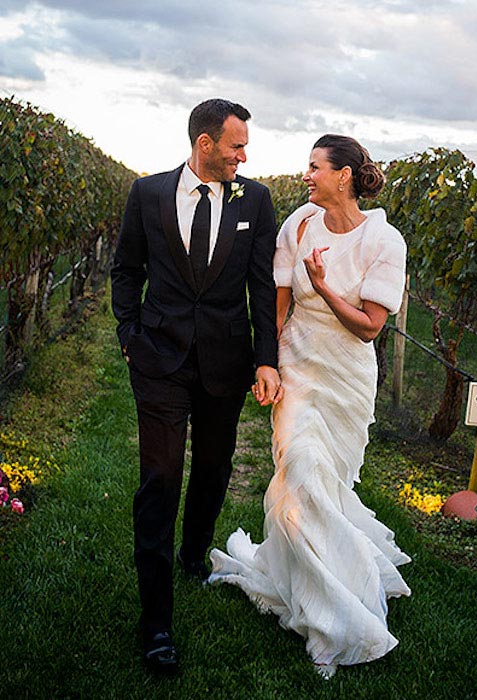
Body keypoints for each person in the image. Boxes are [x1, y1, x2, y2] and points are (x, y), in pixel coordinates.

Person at [209, 134, 411, 678]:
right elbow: (278, 303)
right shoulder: (298, 223)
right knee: (298, 471)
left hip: (345, 377)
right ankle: (329, 615)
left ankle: (337, 584)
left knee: (329, 485)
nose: (306, 175)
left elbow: (369, 326)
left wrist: (324, 288)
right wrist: (267, 363)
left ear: (342, 175)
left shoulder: (384, 241)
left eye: (315, 167)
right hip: (298, 364)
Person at [111, 98, 282, 674]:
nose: (244, 155)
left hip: (225, 361)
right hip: (158, 357)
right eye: (236, 145)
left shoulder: (254, 200)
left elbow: (262, 285)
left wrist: (266, 359)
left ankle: (192, 554)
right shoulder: (149, 194)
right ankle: (155, 622)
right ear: (204, 144)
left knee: (213, 466)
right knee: (159, 478)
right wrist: (129, 334)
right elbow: (126, 268)